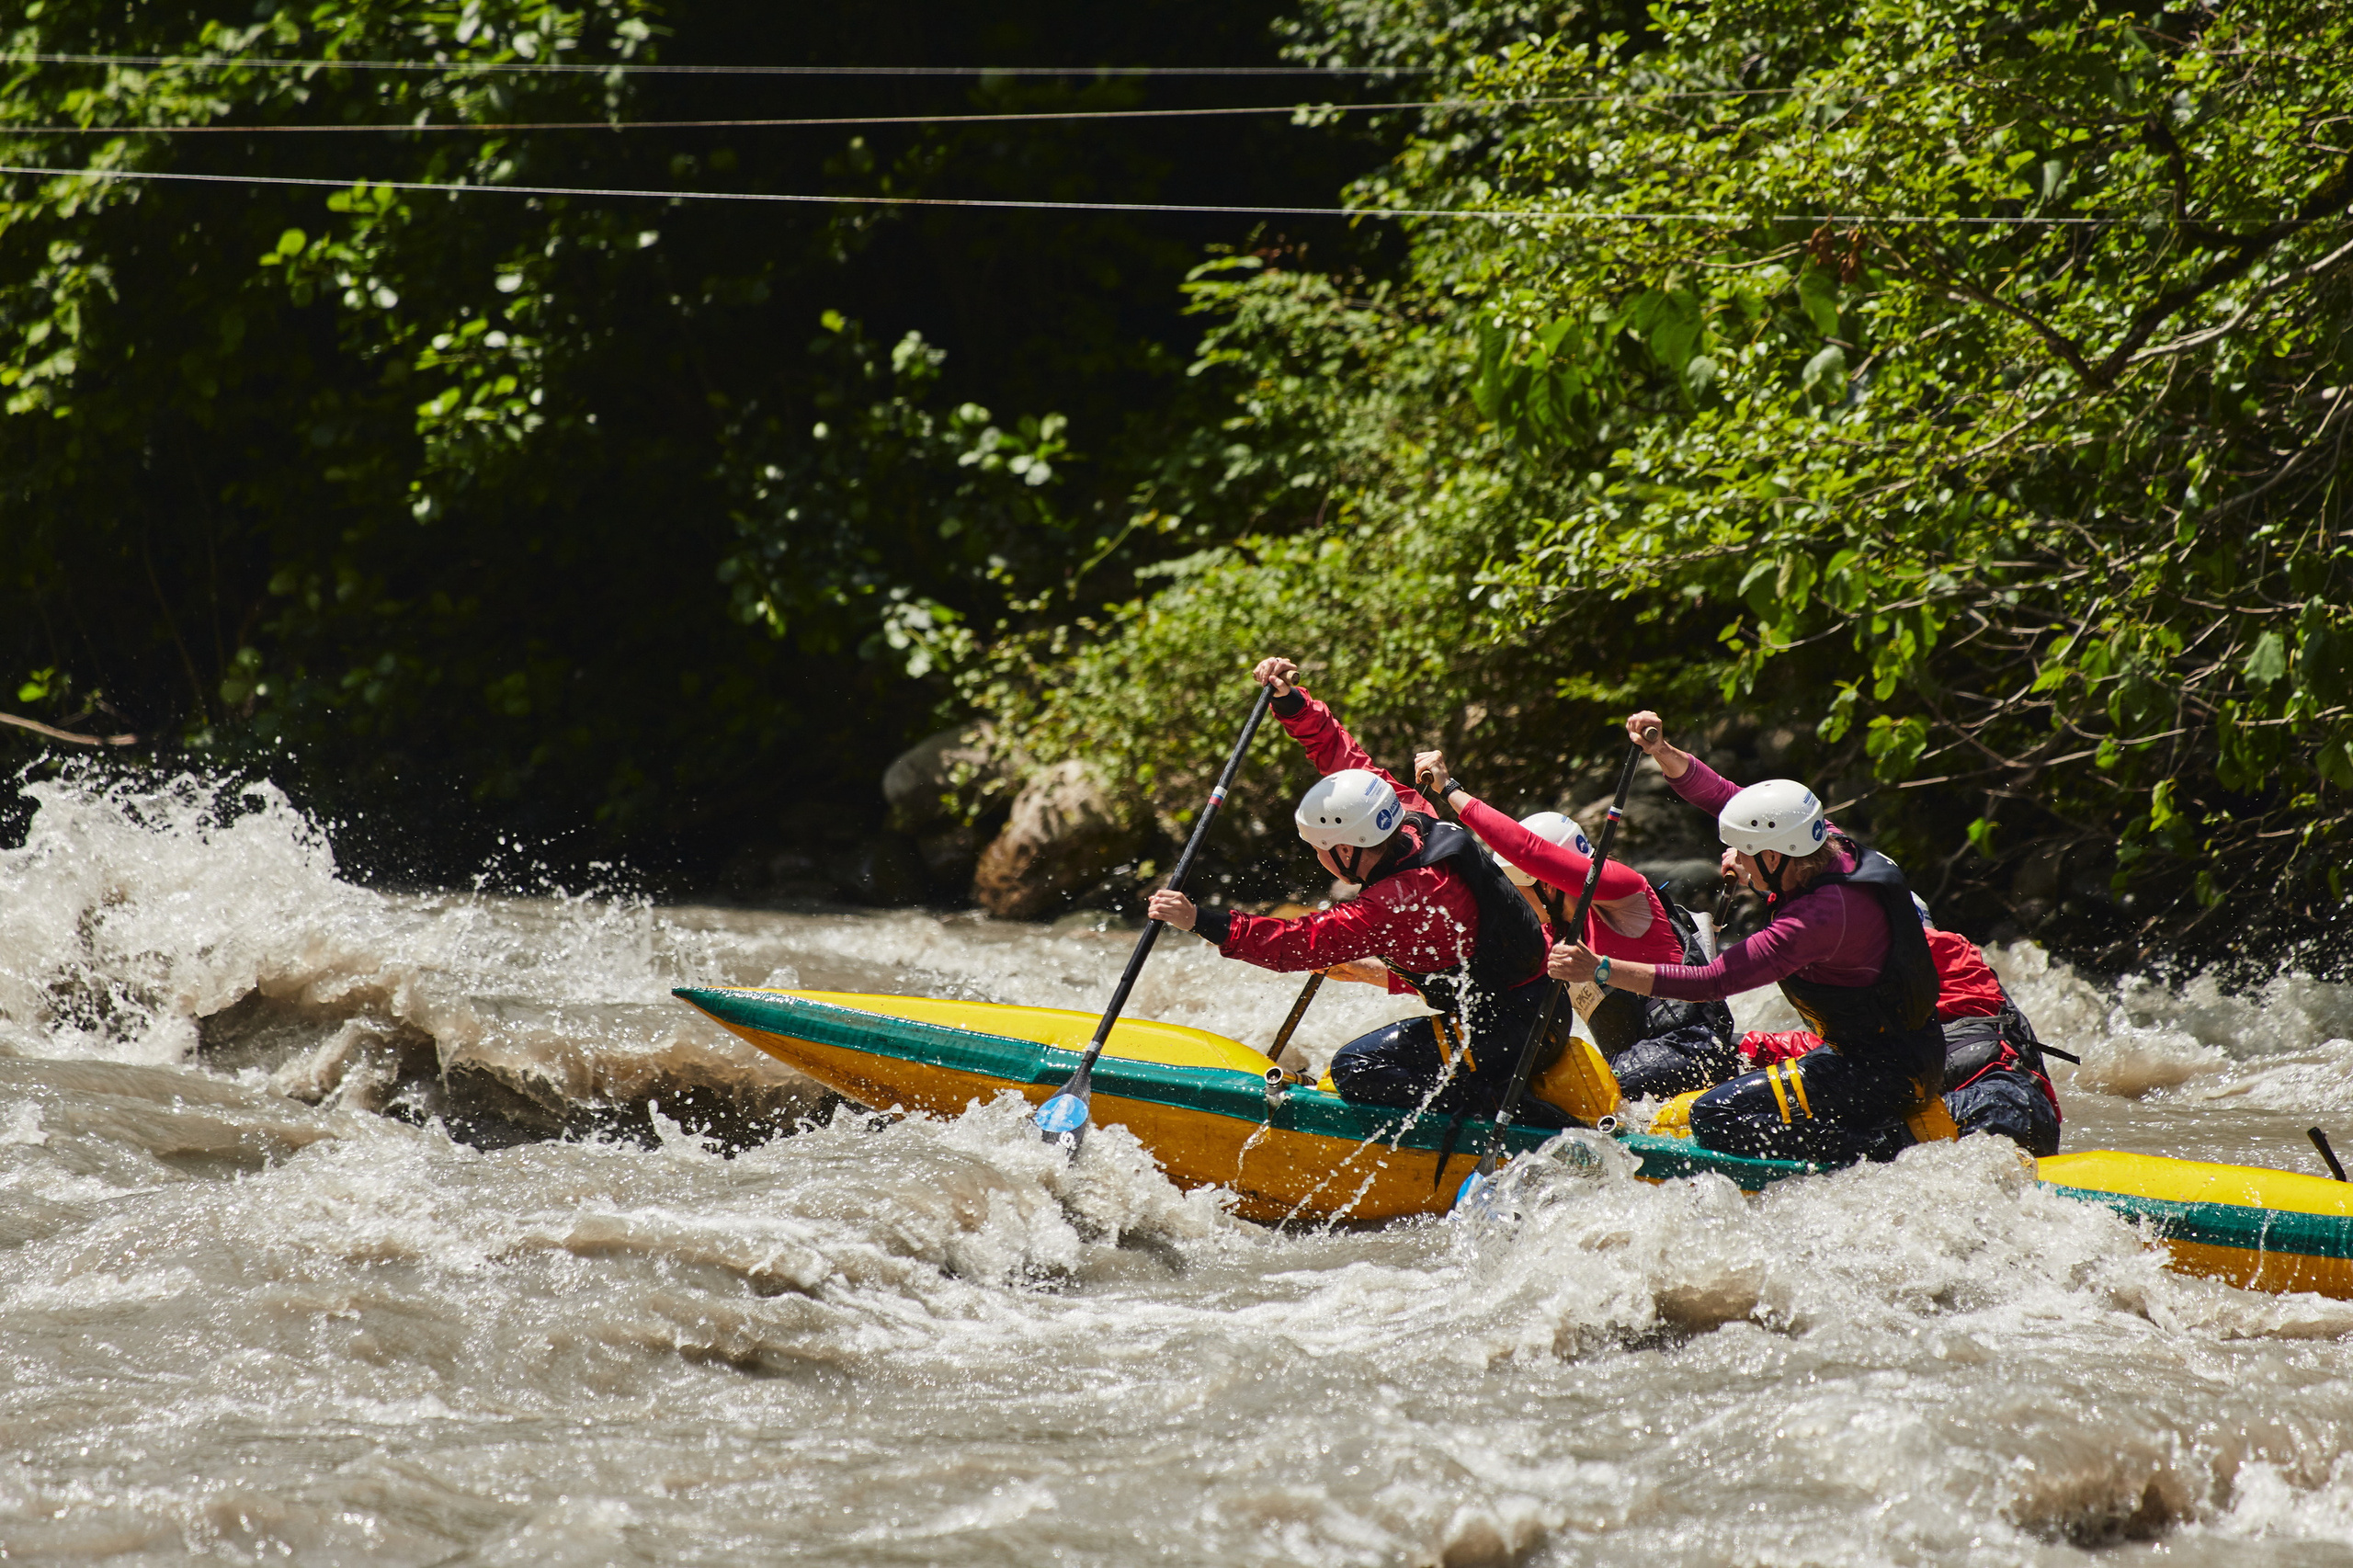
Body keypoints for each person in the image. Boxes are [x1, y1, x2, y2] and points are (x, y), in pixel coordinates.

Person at [1144, 657, 1571, 1124]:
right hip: (1538, 1006)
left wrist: (1198, 921)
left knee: (1356, 1067)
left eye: (1318, 848)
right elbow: (1341, 760)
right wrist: (1291, 702)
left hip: (1513, 1034)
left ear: (1346, 848)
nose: (1317, 857)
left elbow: (1293, 945)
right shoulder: (1408, 812)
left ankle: (1499, 1112)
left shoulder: (1394, 902)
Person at [1544, 710, 1949, 1165]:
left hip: (1880, 1073)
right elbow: (1728, 798)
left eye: (1746, 853)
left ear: (1776, 855)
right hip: (1895, 1052)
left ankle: (1882, 1153)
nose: (1733, 858)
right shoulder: (1828, 846)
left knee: (1717, 1113)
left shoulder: (1814, 921)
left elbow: (1710, 982)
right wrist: (1662, 753)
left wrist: (1598, 968)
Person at [1409, 751, 1739, 1098]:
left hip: (1692, 1049)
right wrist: (1372, 969)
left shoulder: (1623, 891)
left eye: (1517, 890)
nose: (1512, 902)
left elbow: (1527, 850)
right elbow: (1473, 977)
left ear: (1547, 882)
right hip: (1640, 1070)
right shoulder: (1551, 937)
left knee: (1574, 1092)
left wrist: (1450, 790)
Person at [1740, 894, 2063, 1155]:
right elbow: (1836, 1053)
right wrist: (1743, 1045)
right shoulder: (1945, 991)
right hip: (2018, 1113)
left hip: (1994, 1108)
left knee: (1850, 1136)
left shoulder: (1940, 957)